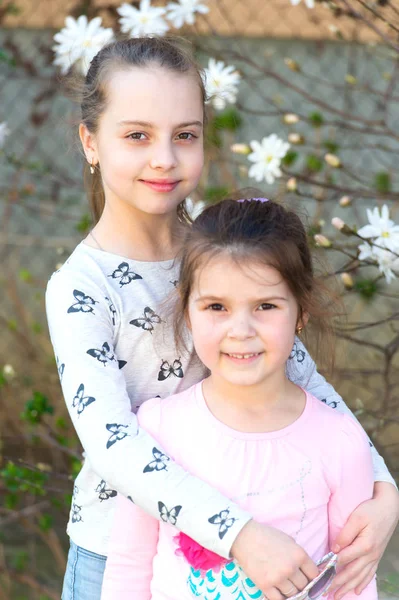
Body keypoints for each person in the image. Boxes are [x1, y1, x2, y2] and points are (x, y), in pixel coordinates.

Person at [45, 36, 398, 600]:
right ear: (90, 142)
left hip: (248, 552)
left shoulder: (219, 253)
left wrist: (383, 490)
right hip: (123, 556)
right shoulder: (81, 288)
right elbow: (113, 443)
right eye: (137, 135)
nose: (164, 157)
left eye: (185, 135)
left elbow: (308, 384)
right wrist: (238, 535)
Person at [101, 197, 378, 600]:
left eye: (265, 306)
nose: (240, 330)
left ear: (300, 312)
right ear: (187, 309)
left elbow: (353, 585)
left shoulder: (340, 442)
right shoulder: (158, 428)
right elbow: (129, 568)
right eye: (217, 307)